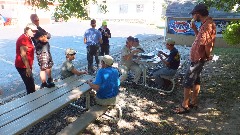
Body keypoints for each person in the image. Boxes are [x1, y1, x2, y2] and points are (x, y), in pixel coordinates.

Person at [174, 3, 216, 114]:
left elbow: (208, 45)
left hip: (198, 60)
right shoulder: (204, 24)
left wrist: (206, 56)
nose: (192, 17)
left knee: (187, 81)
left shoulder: (208, 25)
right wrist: (194, 29)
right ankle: (194, 101)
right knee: (196, 80)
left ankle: (185, 105)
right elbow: (200, 40)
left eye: (193, 15)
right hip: (197, 59)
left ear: (197, 14)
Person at [30, 14, 55, 88]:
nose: (37, 21)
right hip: (41, 51)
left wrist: (45, 36)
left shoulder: (39, 28)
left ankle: (49, 80)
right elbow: (44, 39)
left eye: (38, 19)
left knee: (49, 65)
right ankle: (44, 83)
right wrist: (45, 36)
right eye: (35, 20)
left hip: (46, 50)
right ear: (32, 20)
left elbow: (49, 35)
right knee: (43, 67)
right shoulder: (34, 30)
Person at [15, 23, 38, 94]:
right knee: (30, 87)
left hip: (27, 65)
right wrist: (28, 68)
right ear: (27, 30)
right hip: (23, 66)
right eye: (33, 31)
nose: (35, 32)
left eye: (35, 31)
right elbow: (23, 55)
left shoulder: (28, 37)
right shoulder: (23, 39)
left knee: (31, 84)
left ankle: (32, 101)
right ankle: (31, 103)